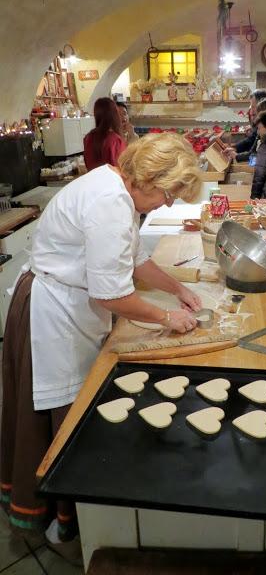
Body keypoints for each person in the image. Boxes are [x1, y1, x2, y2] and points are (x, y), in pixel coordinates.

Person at [0, 133, 202, 559]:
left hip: (66, 304)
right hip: (49, 314)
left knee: (71, 409)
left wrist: (177, 287)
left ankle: (69, 517)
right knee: (59, 415)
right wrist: (168, 317)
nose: (168, 204)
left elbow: (134, 260)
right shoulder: (109, 202)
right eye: (168, 193)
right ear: (148, 178)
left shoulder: (116, 187)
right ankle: (59, 519)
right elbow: (109, 295)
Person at [83, 97, 126, 170]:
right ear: (114, 114)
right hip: (112, 180)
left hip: (93, 179)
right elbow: (120, 167)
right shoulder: (115, 140)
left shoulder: (88, 137)